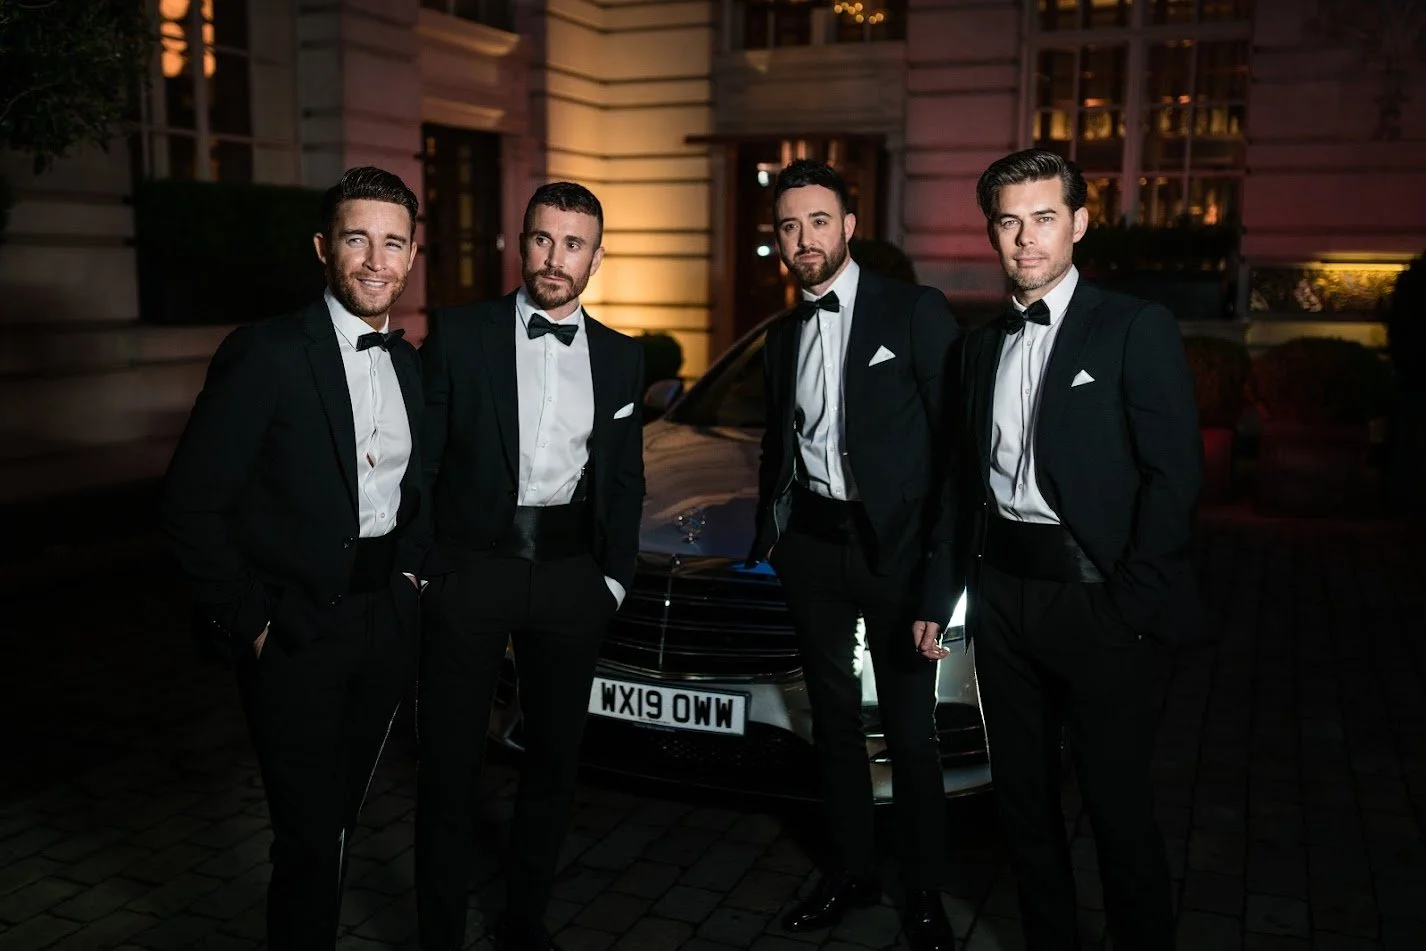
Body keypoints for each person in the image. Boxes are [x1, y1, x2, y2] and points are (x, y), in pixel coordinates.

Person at [921, 148, 1203, 950]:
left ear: (1079, 223)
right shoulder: (978, 346)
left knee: (1116, 805)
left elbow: (1173, 475)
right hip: (1001, 596)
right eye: (1009, 222)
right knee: (1021, 799)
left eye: (1044, 218)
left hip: (1095, 599)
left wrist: (1130, 602)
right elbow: (957, 483)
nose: (1025, 239)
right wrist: (938, 598)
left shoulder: (1133, 327)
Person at [161, 166, 428, 949]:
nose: (376, 260)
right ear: (323, 248)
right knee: (309, 836)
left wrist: (410, 581)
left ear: (412, 254)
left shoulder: (409, 361)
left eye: (392, 242)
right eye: (357, 239)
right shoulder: (266, 353)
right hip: (295, 632)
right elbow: (189, 502)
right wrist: (250, 621)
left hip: (384, 626)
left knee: (338, 819)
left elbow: (414, 491)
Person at [414, 182, 646, 951]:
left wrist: (612, 578)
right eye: (543, 239)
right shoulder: (460, 332)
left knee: (552, 763)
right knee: (450, 768)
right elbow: (423, 461)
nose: (556, 257)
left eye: (573, 243)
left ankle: (524, 921)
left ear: (597, 256)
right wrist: (428, 569)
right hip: (472, 573)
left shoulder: (620, 356)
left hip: (571, 578)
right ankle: (440, 931)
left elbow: (624, 476)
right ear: (522, 242)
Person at [746, 158, 960, 951]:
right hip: (812, 552)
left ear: (849, 225)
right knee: (831, 725)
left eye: (819, 221)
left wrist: (939, 582)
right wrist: (768, 541)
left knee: (909, 733)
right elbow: (781, 444)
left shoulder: (914, 313)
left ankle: (925, 891)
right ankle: (850, 870)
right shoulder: (781, 335)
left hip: (896, 557)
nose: (805, 239)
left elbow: (953, 458)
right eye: (789, 227)